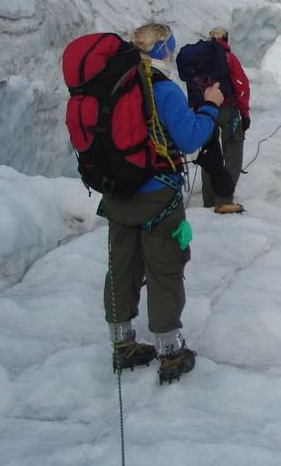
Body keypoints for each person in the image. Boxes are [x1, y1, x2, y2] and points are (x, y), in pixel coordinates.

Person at [103, 22, 223, 384]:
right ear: (160, 50)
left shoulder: (113, 85)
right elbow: (190, 138)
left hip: (117, 193)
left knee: (122, 266)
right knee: (164, 267)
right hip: (157, 194)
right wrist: (211, 107)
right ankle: (171, 350)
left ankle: (122, 343)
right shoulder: (162, 89)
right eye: (169, 45)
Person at [203, 27, 250, 213]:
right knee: (233, 152)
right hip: (227, 109)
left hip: (205, 110)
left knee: (209, 153)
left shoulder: (201, 58)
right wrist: (244, 114)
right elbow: (242, 86)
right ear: (226, 39)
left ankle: (208, 201)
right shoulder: (229, 58)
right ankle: (223, 199)